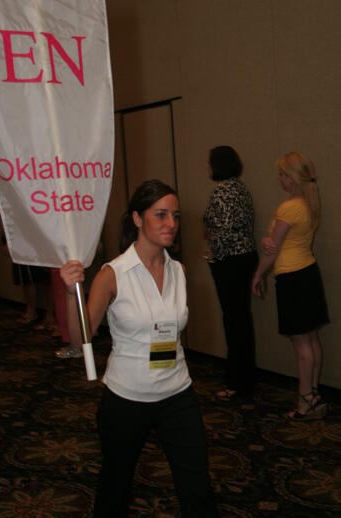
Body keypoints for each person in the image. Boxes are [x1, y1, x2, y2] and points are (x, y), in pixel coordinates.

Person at [61, 179, 219, 517]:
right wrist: (68, 293)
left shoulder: (178, 270)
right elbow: (79, 339)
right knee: (115, 488)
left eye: (175, 216)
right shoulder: (112, 274)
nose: (171, 224)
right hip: (126, 399)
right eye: (160, 215)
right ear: (137, 219)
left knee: (198, 489)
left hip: (178, 393)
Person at [252, 152, 329, 420]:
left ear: (293, 177)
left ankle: (304, 400)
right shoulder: (308, 203)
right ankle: (313, 393)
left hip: (292, 278)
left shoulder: (289, 207)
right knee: (311, 339)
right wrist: (266, 242)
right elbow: (276, 242)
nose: (280, 178)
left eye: (283, 174)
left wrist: (258, 274)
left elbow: (273, 252)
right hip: (307, 273)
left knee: (301, 346)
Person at [203, 146, 258, 400]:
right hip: (246, 257)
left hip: (231, 262)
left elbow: (222, 231)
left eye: (210, 162)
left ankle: (236, 383)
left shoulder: (223, 190)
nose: (208, 166)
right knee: (242, 321)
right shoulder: (241, 188)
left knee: (233, 322)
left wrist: (214, 255)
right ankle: (245, 379)